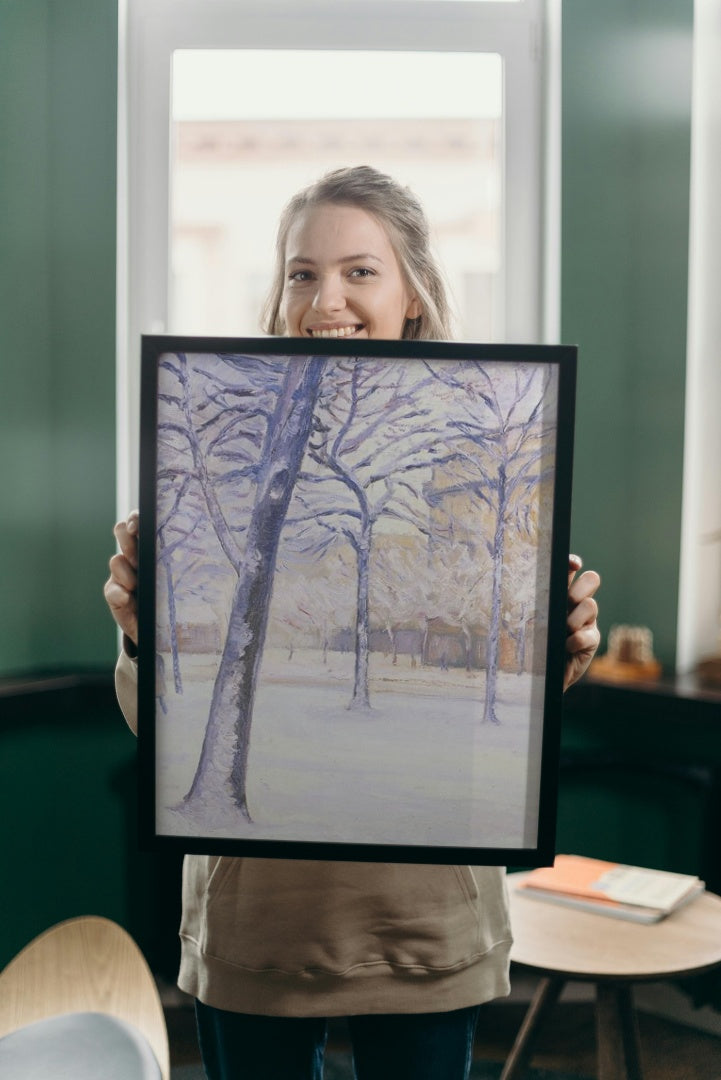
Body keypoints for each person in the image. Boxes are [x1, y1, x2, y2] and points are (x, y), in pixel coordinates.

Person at [105, 166, 601, 1080]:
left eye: (359, 271)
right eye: (301, 272)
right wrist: (144, 634)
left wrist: (556, 649)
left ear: (412, 292)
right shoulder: (214, 452)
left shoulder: (484, 454)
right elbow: (164, 730)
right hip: (257, 925)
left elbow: (504, 725)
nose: (324, 298)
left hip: (425, 923)